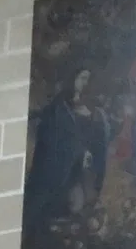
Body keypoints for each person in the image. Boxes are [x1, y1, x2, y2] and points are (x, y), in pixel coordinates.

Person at [23, 69, 110, 236]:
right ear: (74, 80)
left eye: (89, 79)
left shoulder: (97, 115)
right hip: (58, 170)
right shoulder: (60, 108)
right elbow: (51, 137)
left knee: (78, 207)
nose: (86, 83)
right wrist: (79, 152)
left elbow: (99, 147)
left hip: (82, 174)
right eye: (83, 78)